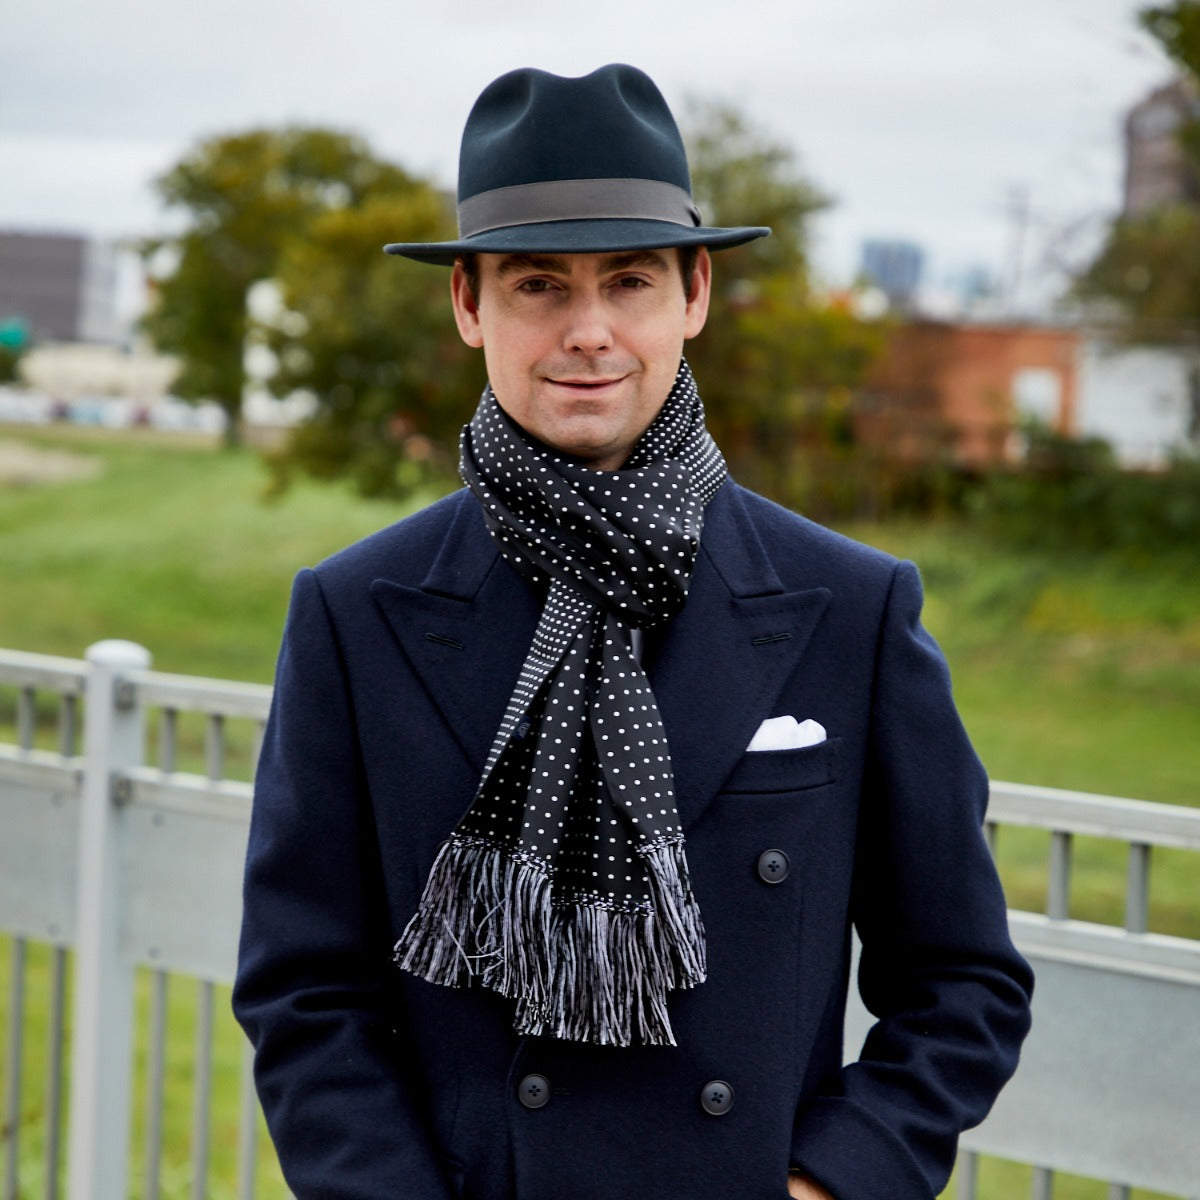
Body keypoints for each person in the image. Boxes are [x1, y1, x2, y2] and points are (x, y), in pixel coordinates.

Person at [233, 64, 1033, 1200]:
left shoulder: (849, 609)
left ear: (695, 293)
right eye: (539, 286)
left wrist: (829, 1184)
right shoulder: (357, 611)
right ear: (469, 306)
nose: (590, 332)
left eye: (630, 281)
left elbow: (963, 981)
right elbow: (306, 994)